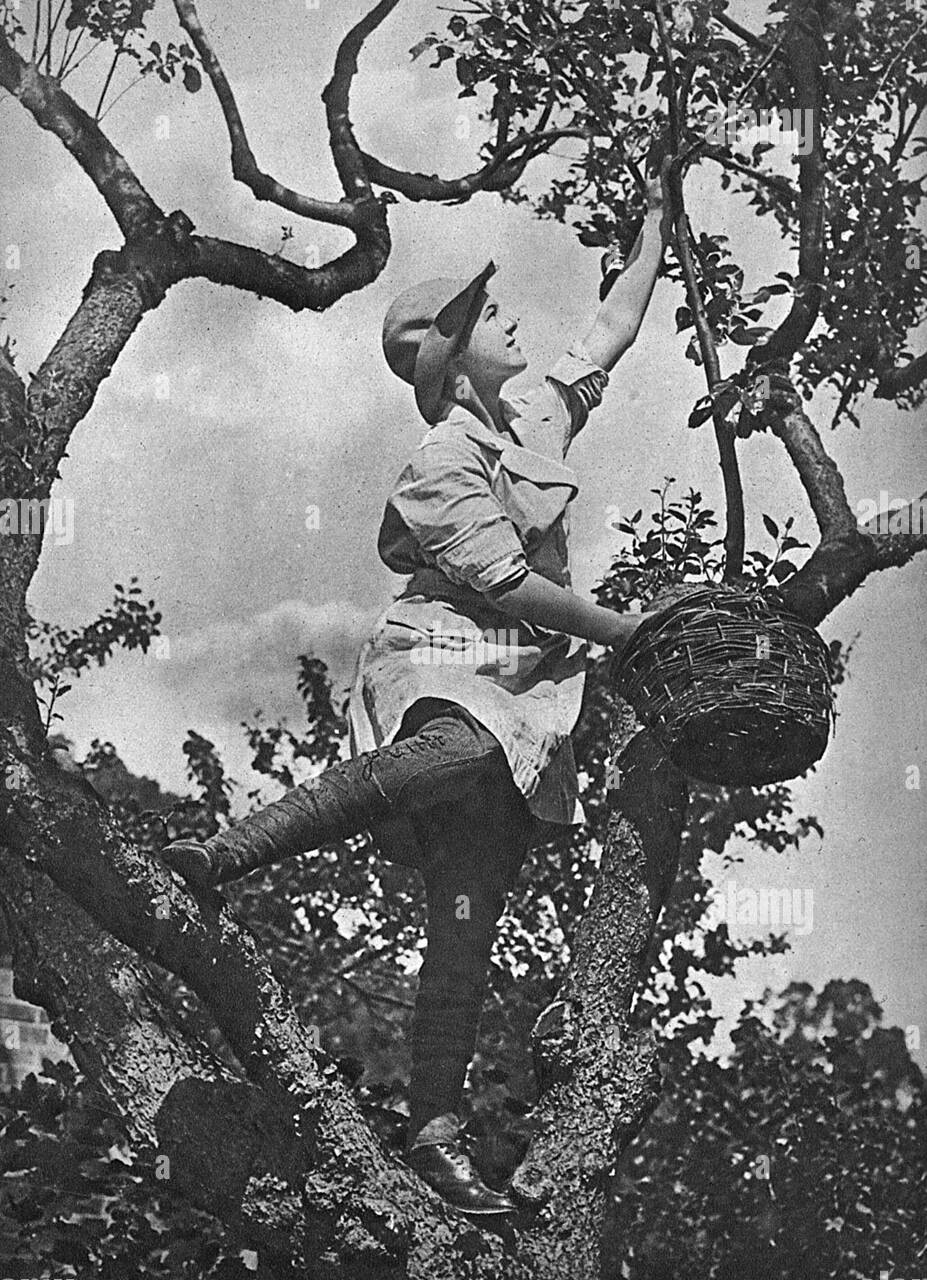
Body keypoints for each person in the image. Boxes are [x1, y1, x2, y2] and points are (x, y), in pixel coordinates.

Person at [163, 160, 674, 1216]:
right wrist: (634, 633)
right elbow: (511, 587)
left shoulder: (535, 409)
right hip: (442, 655)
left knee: (467, 914)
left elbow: (613, 325)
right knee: (466, 750)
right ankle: (225, 854)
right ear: (449, 367)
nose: (514, 323)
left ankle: (434, 1133)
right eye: (489, 317)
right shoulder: (443, 459)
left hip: (531, 683)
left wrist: (659, 222)